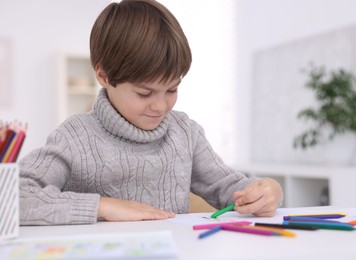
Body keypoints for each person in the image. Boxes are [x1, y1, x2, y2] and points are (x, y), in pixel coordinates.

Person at [19, 0, 283, 225]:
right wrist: (102, 206)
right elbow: (12, 197)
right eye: (144, 94)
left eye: (171, 90)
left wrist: (266, 191)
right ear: (104, 76)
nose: (160, 106)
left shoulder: (184, 132)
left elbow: (229, 188)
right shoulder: (74, 136)